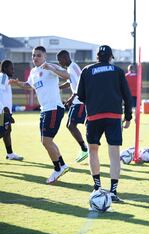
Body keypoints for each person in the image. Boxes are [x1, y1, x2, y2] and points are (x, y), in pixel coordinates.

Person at [76, 45, 132, 202]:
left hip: (93, 117)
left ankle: (97, 187)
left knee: (93, 151)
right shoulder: (118, 71)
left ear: (97, 57)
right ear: (110, 57)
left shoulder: (86, 70)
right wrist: (128, 117)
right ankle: (113, 191)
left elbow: (80, 96)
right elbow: (127, 96)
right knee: (114, 153)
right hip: (113, 116)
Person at [10, 46, 70, 184]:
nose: (35, 58)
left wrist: (53, 69)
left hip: (54, 108)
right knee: (47, 141)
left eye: (38, 55)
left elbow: (67, 76)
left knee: (46, 141)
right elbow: (29, 85)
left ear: (44, 57)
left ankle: (57, 168)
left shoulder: (49, 67)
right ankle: (62, 165)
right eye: (33, 55)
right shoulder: (33, 71)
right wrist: (17, 83)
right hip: (44, 110)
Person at [57, 50, 88, 163]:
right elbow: (70, 82)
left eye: (60, 60)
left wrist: (70, 98)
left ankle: (85, 149)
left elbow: (81, 85)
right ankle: (85, 148)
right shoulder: (70, 68)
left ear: (65, 58)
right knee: (70, 125)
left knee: (71, 125)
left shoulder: (73, 68)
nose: (59, 63)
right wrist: (58, 87)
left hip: (79, 101)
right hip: (76, 101)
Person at [0, 60, 23, 160]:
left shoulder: (6, 78)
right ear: (5, 68)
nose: (13, 71)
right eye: (11, 68)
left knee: (8, 130)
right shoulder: (3, 77)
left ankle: (10, 154)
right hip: (2, 112)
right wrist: (4, 109)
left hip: (5, 112)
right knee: (2, 132)